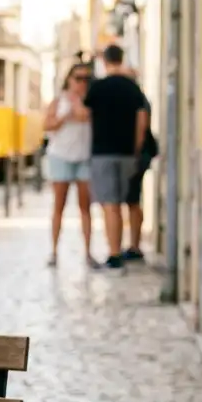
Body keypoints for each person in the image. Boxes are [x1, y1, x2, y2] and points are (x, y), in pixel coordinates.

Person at [84, 45, 150, 271]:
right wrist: (136, 148)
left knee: (110, 205)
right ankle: (134, 246)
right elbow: (142, 119)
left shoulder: (97, 87)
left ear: (105, 61)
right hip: (127, 152)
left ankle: (114, 252)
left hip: (103, 152)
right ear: (122, 58)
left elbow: (85, 115)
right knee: (132, 201)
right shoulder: (132, 88)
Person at [41, 63, 96, 268]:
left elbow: (85, 117)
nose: (81, 82)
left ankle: (88, 252)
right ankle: (54, 251)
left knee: (85, 207)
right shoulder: (59, 100)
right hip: (61, 156)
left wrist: (79, 108)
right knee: (59, 206)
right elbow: (47, 124)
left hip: (83, 157)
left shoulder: (91, 100)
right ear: (69, 79)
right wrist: (66, 115)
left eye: (85, 79)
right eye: (78, 78)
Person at [118, 65, 159, 262]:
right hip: (136, 153)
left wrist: (134, 152)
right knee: (131, 199)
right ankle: (132, 243)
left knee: (132, 199)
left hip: (136, 154)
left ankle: (135, 244)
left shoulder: (137, 99)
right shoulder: (137, 98)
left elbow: (142, 126)